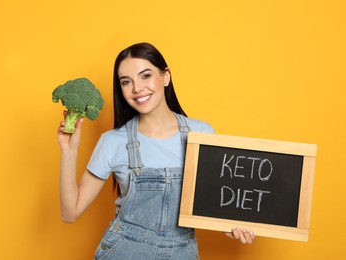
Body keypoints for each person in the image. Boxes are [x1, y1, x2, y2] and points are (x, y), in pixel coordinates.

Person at [57, 42, 255, 259]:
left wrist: (232, 226)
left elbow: (215, 202)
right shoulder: (112, 142)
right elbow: (70, 213)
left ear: (166, 76)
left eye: (145, 76)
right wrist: (69, 151)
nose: (137, 88)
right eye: (126, 82)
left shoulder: (201, 134)